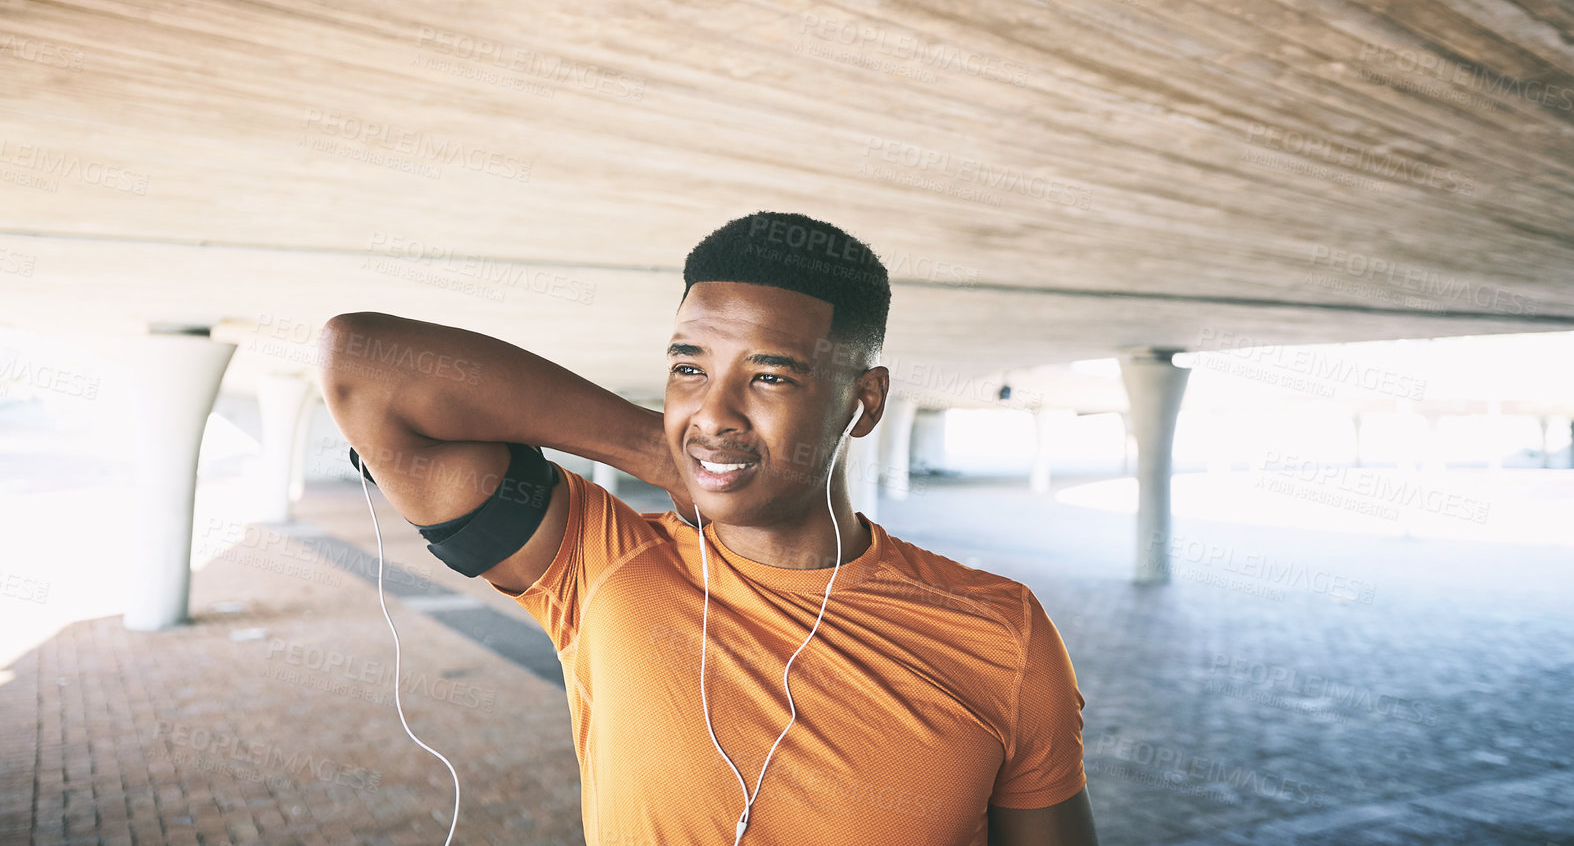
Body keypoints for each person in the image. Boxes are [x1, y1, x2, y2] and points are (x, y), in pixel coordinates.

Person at [317, 211, 1096, 845]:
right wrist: (658, 449)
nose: (714, 411)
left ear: (865, 401)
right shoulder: (597, 563)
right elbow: (361, 364)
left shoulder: (1002, 632)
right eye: (690, 367)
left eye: (767, 375)